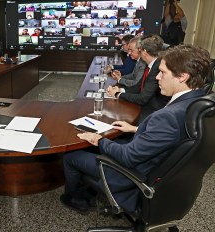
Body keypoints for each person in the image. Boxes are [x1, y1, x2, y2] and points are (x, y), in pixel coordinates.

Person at [62, 44, 210, 214]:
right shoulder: (199, 103)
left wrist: (99, 140)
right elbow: (170, 136)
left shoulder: (169, 116)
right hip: (162, 170)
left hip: (130, 174)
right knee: (114, 139)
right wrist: (135, 129)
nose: (157, 77)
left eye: (162, 72)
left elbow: (128, 157)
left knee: (71, 156)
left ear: (182, 77)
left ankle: (75, 198)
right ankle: (90, 189)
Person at [107, 35, 171, 122]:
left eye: (139, 50)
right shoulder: (150, 65)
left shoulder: (157, 67)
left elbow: (143, 98)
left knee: (115, 118)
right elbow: (138, 86)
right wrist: (121, 90)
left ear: (144, 52)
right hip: (145, 105)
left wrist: (118, 94)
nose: (129, 53)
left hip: (151, 112)